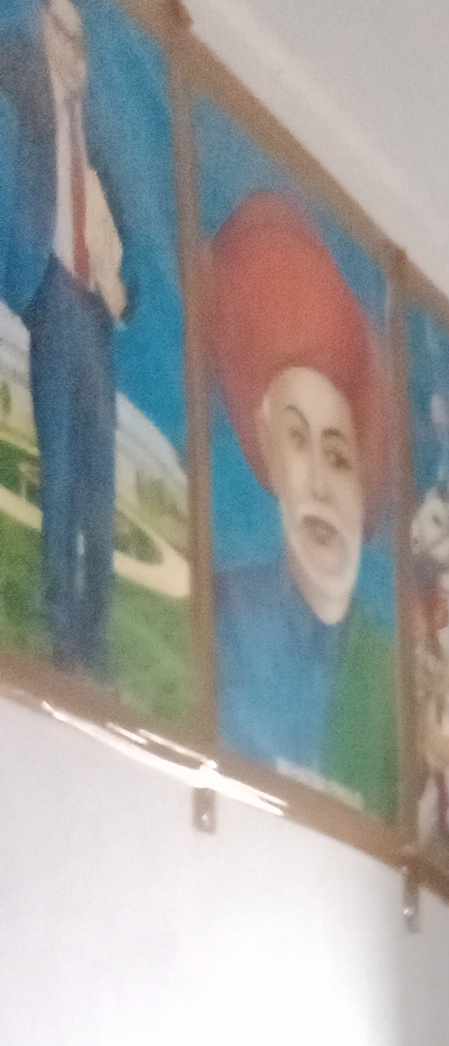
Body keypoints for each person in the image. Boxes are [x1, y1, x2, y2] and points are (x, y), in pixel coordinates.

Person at [202, 186, 395, 814]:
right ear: (266, 456)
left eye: (337, 455)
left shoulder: (388, 675)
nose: (317, 482)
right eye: (296, 441)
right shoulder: (222, 614)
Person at [0, 0, 132, 676]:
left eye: (80, 40)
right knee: (59, 472)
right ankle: (61, 637)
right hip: (52, 295)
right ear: (43, 33)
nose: (73, 51)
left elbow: (116, 218)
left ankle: (96, 636)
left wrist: (120, 289)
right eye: (61, 32)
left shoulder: (96, 131)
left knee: (99, 482)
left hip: (96, 312)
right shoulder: (26, 85)